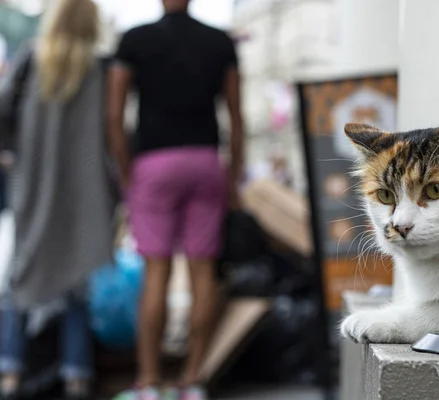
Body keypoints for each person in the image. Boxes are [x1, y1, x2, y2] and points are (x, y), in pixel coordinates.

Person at [107, 0, 244, 399]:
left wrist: (126, 170)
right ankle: (193, 380)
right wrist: (232, 174)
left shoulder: (134, 40)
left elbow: (114, 116)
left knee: (156, 273)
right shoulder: (220, 41)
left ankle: (149, 382)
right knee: (203, 272)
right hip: (205, 162)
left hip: (153, 163)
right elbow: (235, 115)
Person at [0, 0, 116, 399]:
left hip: (34, 187)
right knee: (75, 283)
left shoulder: (34, 58)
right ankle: (77, 376)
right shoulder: (100, 66)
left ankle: (10, 374)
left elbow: (3, 113)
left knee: (23, 275)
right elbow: (115, 131)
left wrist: (11, 153)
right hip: (84, 194)